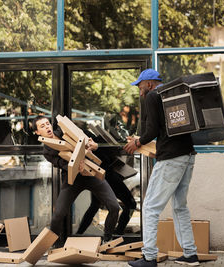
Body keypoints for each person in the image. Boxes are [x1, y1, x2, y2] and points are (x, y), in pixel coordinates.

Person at [124, 69, 199, 267]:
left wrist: (137, 142)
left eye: (140, 86)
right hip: (188, 155)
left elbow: (152, 131)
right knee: (179, 206)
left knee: (150, 207)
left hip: (171, 159)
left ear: (149, 84)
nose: (139, 90)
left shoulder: (152, 96)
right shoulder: (171, 95)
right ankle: (190, 254)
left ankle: (149, 257)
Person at [32, 115, 120, 242]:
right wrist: (75, 164)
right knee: (58, 214)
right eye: (42, 126)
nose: (47, 127)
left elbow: (87, 140)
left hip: (91, 173)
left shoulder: (64, 130)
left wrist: (93, 145)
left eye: (47, 124)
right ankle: (52, 243)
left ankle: (107, 239)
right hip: (72, 178)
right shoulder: (47, 151)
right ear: (37, 132)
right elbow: (61, 164)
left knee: (114, 207)